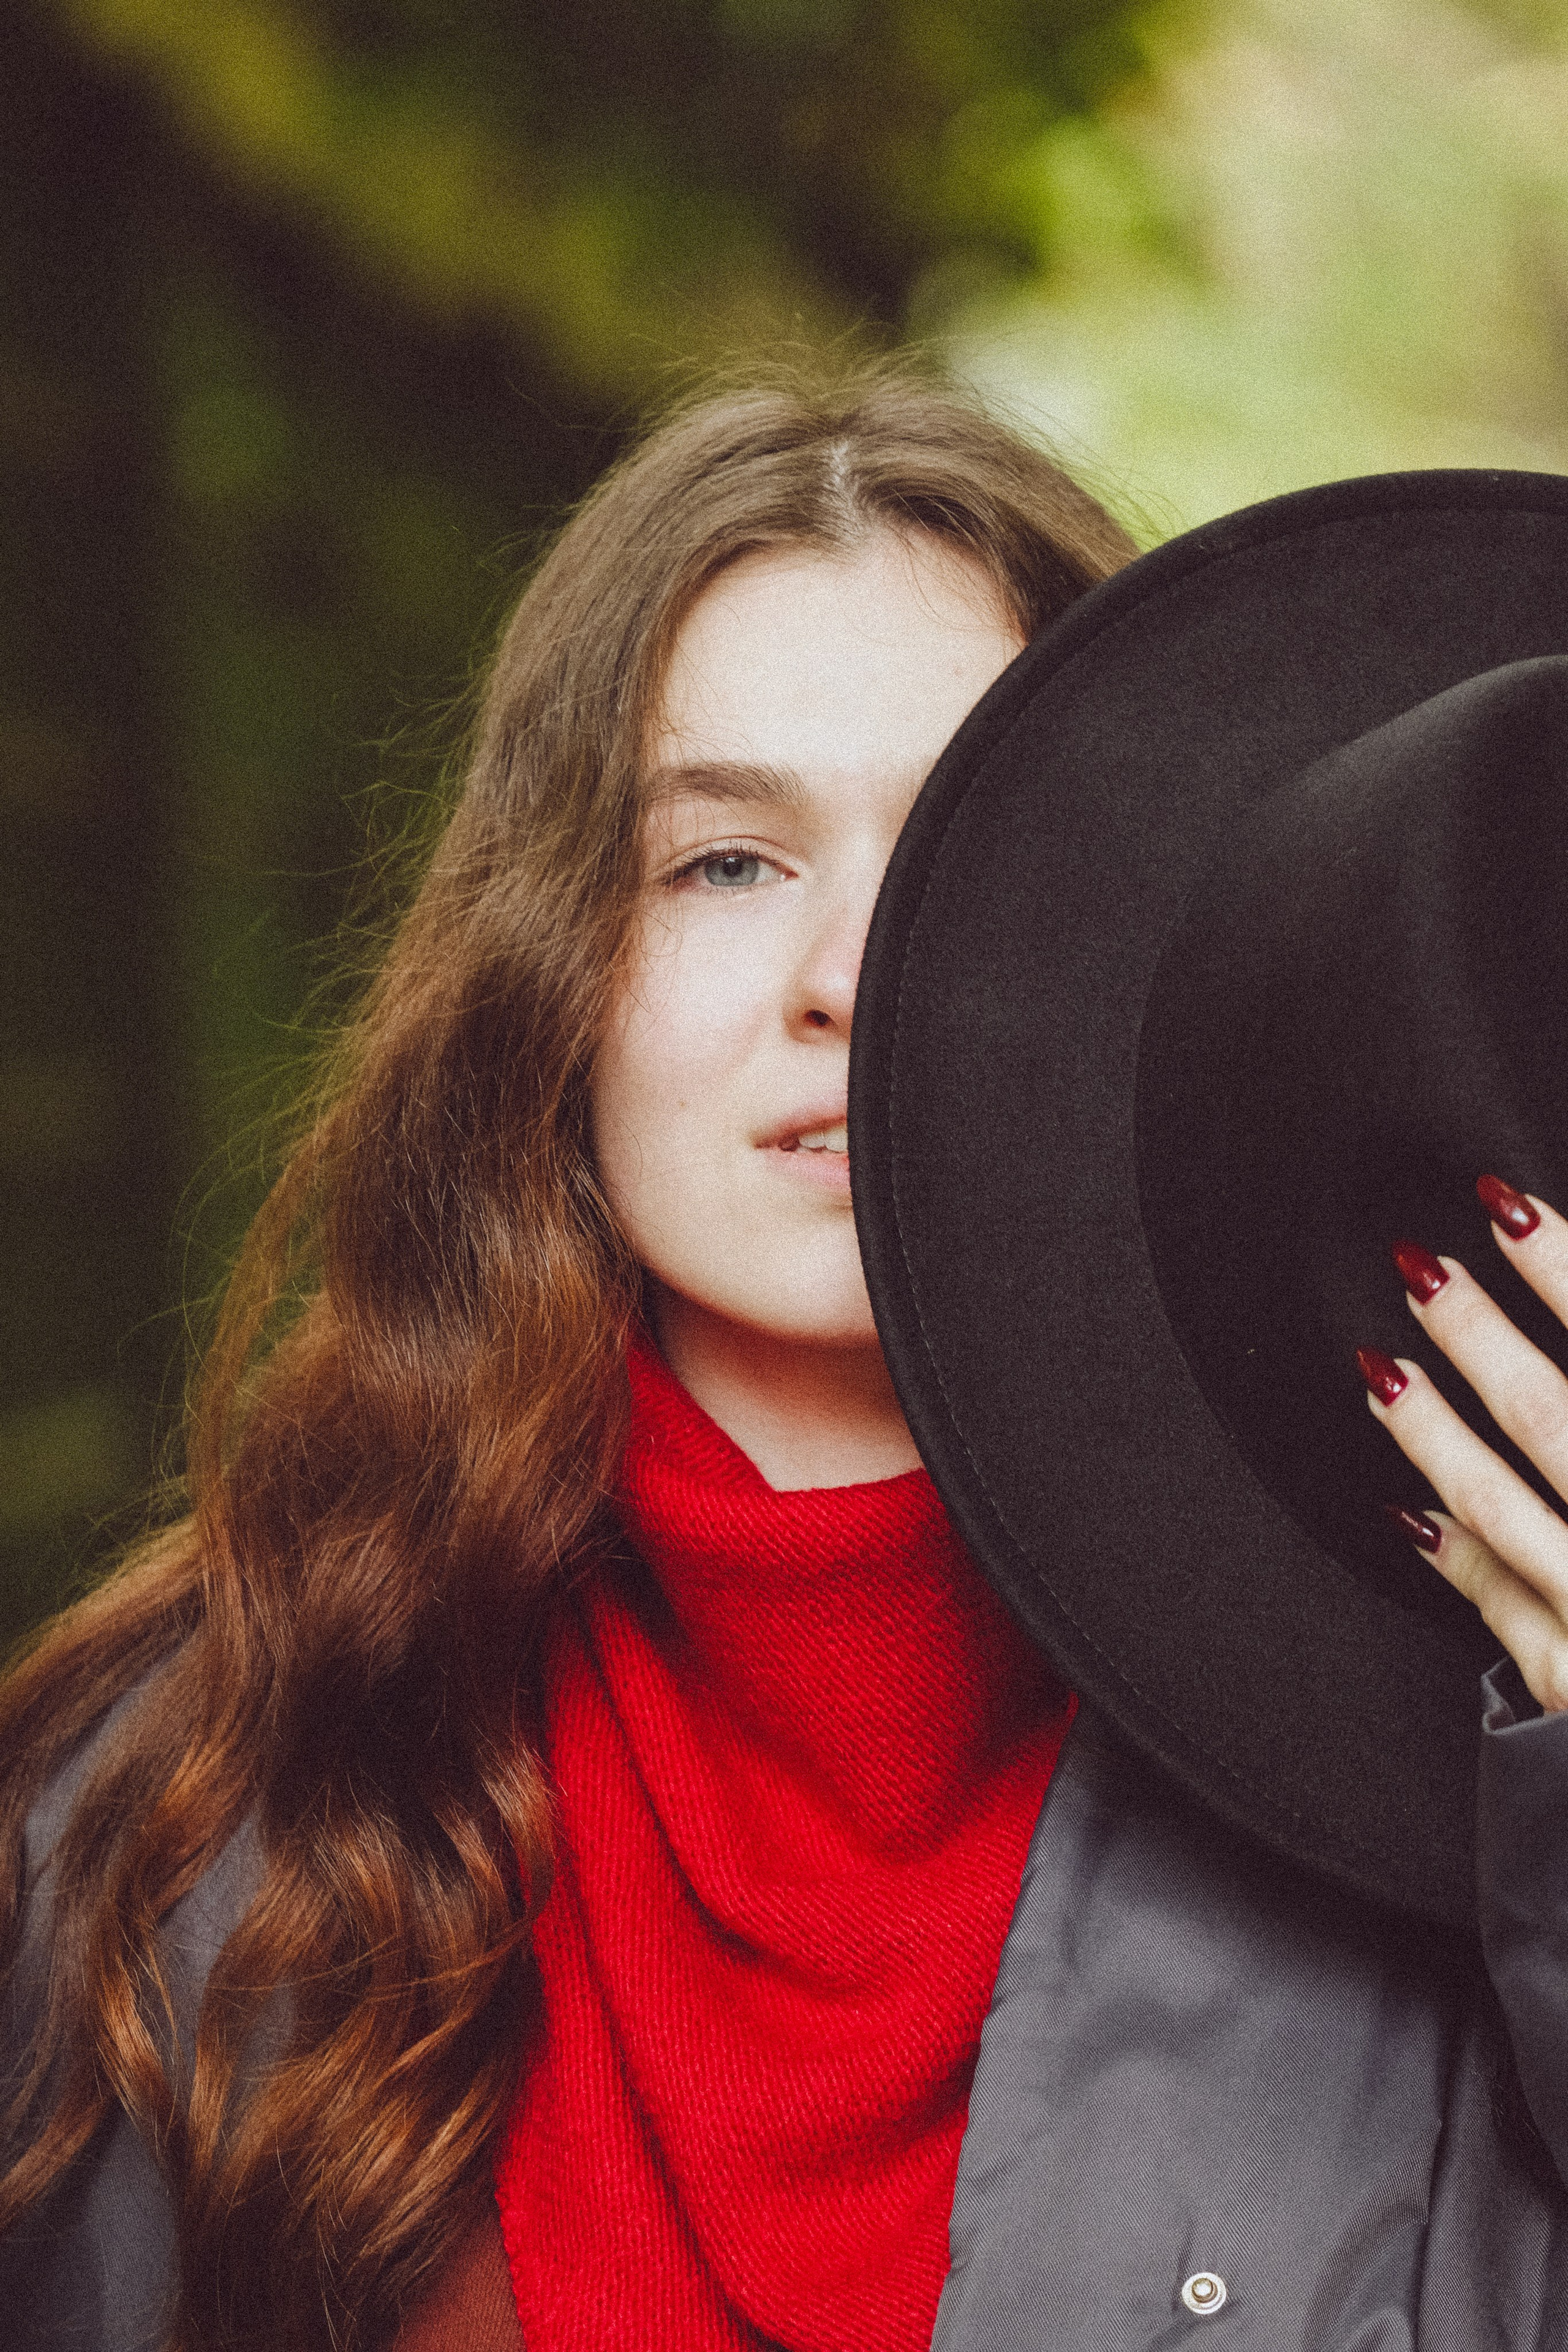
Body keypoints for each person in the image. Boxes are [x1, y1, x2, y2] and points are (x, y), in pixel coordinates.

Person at [5, 356, 1568, 2352]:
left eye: (954, 861)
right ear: (549, 976)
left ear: (1146, 957)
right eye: (726, 863)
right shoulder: (174, 1813)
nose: (850, 981)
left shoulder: (1445, 1767)